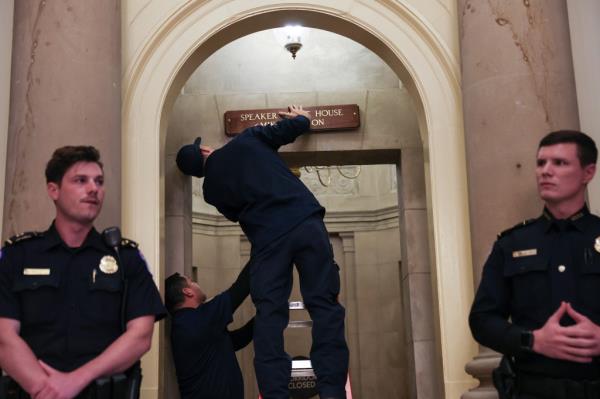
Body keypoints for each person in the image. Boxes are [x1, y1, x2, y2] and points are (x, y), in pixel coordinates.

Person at [176, 105, 348, 399]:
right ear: (204, 150)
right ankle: (332, 392)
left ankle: (275, 394)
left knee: (270, 316)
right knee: (324, 307)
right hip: (304, 222)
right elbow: (294, 129)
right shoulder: (246, 139)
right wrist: (301, 116)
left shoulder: (211, 191)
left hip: (268, 243)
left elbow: (235, 213)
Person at [0, 146, 166, 399]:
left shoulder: (126, 258)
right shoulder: (17, 255)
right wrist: (46, 390)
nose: (93, 189)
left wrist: (75, 381)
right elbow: (4, 336)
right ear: (53, 190)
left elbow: (141, 336)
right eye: (80, 180)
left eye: (99, 181)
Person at [469, 130, 600, 398]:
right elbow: (482, 320)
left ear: (588, 173)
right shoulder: (512, 243)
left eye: (559, 163)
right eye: (541, 163)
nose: (545, 171)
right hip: (534, 390)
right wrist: (532, 341)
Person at [165, 262, 254, 399]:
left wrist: (264, 316)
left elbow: (236, 340)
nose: (196, 283)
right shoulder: (195, 319)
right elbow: (240, 288)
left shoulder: (187, 323)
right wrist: (261, 250)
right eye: (192, 281)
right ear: (187, 291)